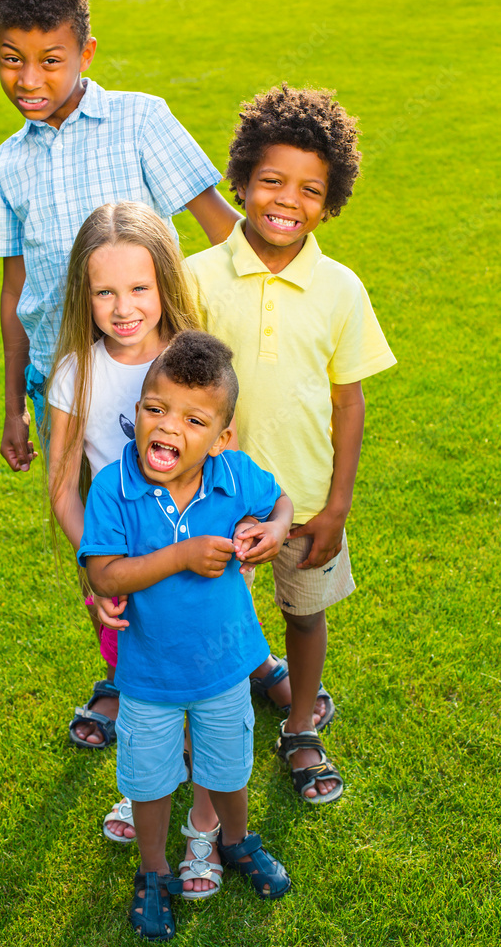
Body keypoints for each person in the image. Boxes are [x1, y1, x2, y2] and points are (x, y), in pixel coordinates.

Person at [185, 84, 397, 804]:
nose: (287, 200)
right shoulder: (196, 277)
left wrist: (335, 506)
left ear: (330, 203)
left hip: (305, 502)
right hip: (213, 502)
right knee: (212, 619)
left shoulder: (340, 289)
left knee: (304, 615)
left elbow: (347, 400)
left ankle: (300, 724)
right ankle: (213, 730)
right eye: (271, 180)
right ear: (239, 181)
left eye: (310, 189)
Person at [0, 0, 240, 476]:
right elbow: (15, 292)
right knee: (97, 535)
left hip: (163, 382)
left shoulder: (140, 120)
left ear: (86, 53)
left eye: (51, 60)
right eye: (12, 59)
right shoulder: (5, 165)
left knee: (185, 512)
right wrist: (13, 409)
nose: (29, 79)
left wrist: (301, 286)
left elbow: (222, 229)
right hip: (65, 386)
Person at [79, 331, 294, 940]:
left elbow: (280, 502)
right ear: (139, 408)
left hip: (227, 666)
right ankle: (153, 871)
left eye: (193, 419)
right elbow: (105, 572)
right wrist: (181, 556)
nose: (167, 428)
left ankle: (237, 841)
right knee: (148, 782)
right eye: (155, 409)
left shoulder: (232, 474)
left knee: (228, 769)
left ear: (221, 438)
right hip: (148, 675)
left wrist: (275, 531)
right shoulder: (113, 485)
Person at [46, 202, 199, 750]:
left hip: (194, 551)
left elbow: (226, 457)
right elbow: (62, 485)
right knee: (136, 668)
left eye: (139, 288)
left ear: (165, 283)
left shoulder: (193, 363)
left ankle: (199, 768)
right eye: (104, 292)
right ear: (83, 297)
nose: (123, 307)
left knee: (194, 675)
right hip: (115, 554)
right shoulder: (74, 374)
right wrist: (98, 563)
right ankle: (148, 771)